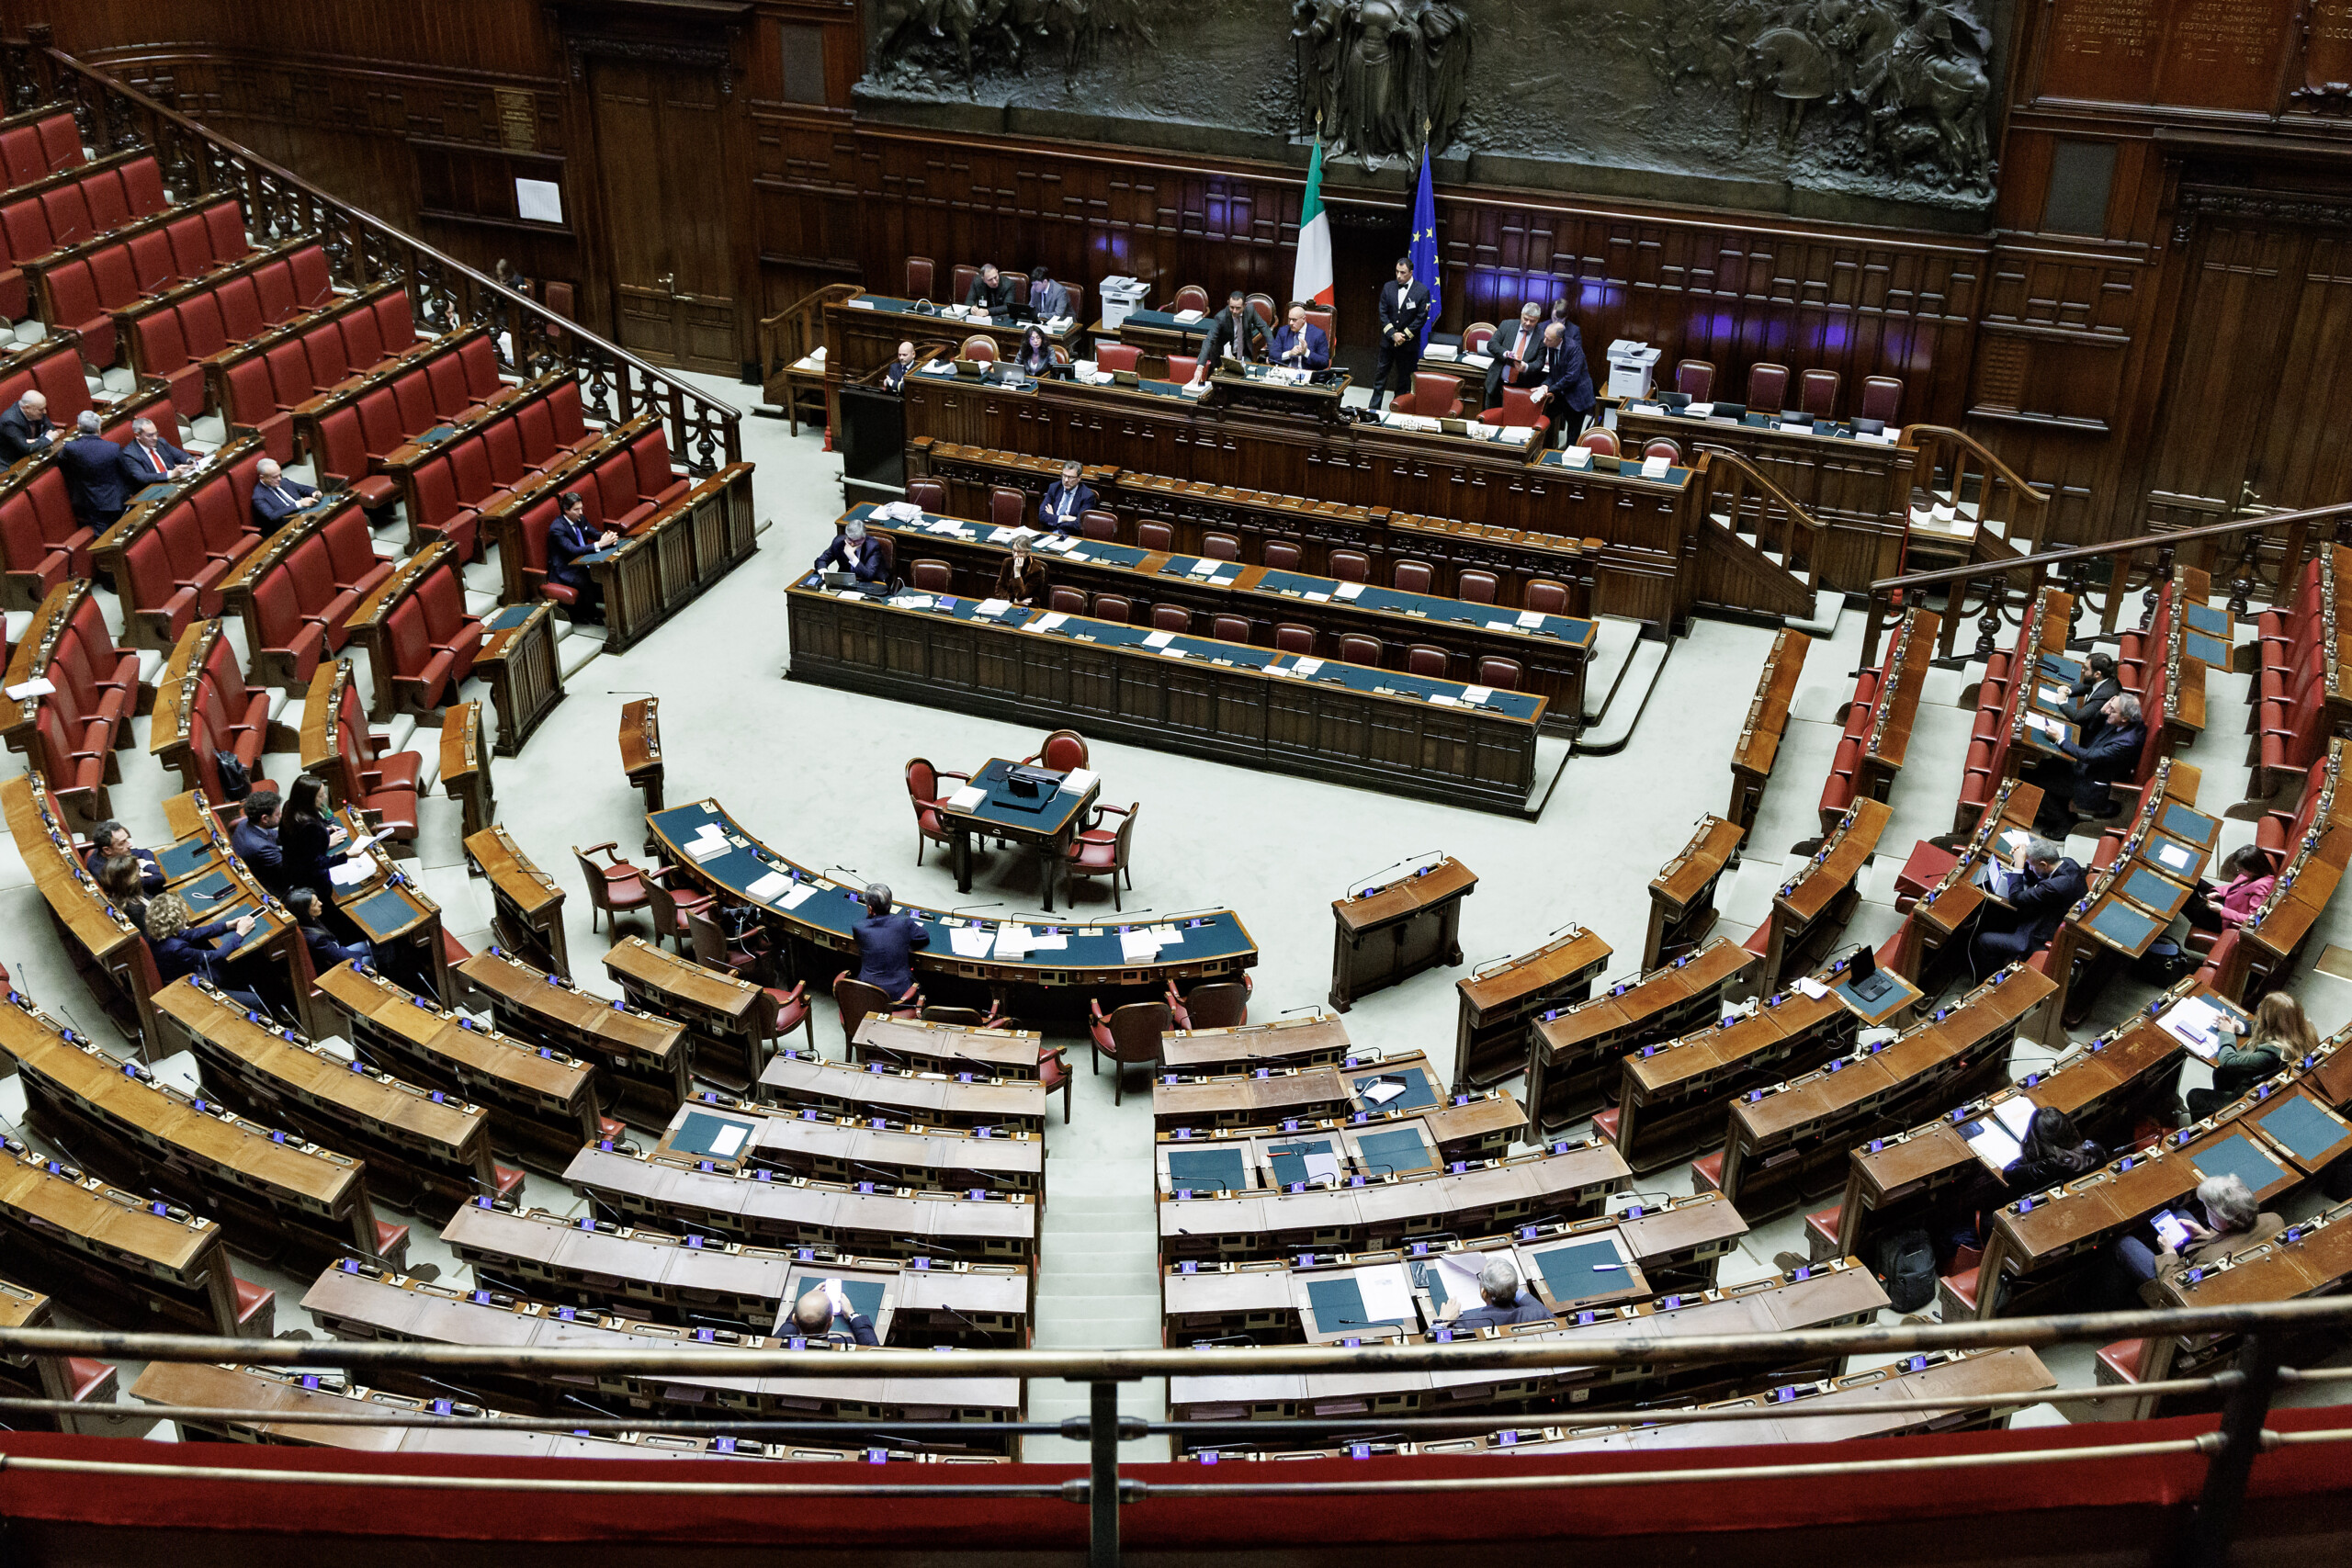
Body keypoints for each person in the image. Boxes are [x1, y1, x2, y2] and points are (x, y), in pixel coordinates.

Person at [2112, 1174, 2282, 1303]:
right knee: (2179, 1214)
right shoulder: (2274, 1220)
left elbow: (2178, 1287)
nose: (2205, 1210)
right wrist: (2203, 1235)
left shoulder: (2209, 1260)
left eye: (2208, 1208)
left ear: (2224, 1220)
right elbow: (2235, 1240)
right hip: (2246, 1275)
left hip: (2192, 1295)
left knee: (2123, 1244)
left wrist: (2169, 1253)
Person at [2186, 991, 2317, 1121]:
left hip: (2255, 1100)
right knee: (2221, 1073)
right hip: (2274, 1084)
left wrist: (2227, 1033)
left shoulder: (2272, 1053)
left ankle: (2215, 1125)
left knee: (2195, 1096)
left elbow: (2229, 1060)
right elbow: (2267, 1026)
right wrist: (2240, 1027)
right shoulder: (2304, 1028)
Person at [1968, 837, 2085, 977]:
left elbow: (2016, 899)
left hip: (2037, 936)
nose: (2029, 867)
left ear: (2044, 864)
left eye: (2030, 865)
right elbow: (2039, 875)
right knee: (1998, 916)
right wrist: (2028, 855)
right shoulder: (2068, 863)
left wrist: (2019, 864)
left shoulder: (2054, 887)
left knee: (1984, 940)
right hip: (2049, 916)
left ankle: (1989, 981)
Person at [2041, 692, 2145, 832]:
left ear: (2125, 718)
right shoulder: (2121, 721)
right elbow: (2091, 732)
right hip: (2086, 767)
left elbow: (2088, 756)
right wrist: (2102, 713)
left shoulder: (2127, 742)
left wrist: (2059, 739)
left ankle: (2063, 824)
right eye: (2110, 704)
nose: (2108, 710)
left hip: (2090, 783)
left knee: (2039, 782)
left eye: (2112, 710)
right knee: (2044, 764)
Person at [141, 892, 264, 1010]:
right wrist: (239, 934)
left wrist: (228, 925)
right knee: (253, 1000)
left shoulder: (157, 933)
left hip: (182, 973)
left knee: (236, 968)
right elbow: (215, 956)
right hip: (189, 986)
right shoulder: (177, 948)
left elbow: (195, 933)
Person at [546, 491, 618, 624]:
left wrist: (608, 537)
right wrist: (600, 544)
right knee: (586, 580)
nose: (581, 512)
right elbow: (573, 551)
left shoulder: (580, 519)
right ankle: (591, 614)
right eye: (576, 509)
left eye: (581, 508)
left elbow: (593, 532)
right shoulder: (557, 529)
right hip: (566, 569)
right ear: (566, 510)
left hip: (581, 562)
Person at [1372, 256, 1431, 411]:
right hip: (1388, 342)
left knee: (1403, 380)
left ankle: (1397, 410)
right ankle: (1373, 409)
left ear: (1411, 273)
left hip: (1408, 345)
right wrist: (1393, 334)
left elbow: (1420, 318)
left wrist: (1403, 335)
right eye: (1397, 272)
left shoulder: (1422, 291)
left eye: (1403, 273)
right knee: (1380, 377)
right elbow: (1383, 313)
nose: (1399, 276)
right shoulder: (1388, 287)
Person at [1521, 320, 1595, 443]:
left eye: (1548, 339)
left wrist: (1549, 389)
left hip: (1577, 397)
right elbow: (1553, 374)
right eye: (1545, 337)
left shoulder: (1574, 349)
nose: (1544, 342)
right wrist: (1545, 385)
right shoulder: (1552, 346)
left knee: (1572, 436)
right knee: (1543, 419)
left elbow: (1571, 377)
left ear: (1559, 339)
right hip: (1562, 394)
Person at [278, 774, 349, 902]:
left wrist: (324, 832)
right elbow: (316, 863)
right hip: (312, 881)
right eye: (321, 795)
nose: (325, 797)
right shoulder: (309, 827)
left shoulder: (289, 806)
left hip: (292, 869)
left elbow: (295, 841)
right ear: (309, 798)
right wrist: (347, 855)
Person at [852, 883, 927, 1002]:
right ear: (890, 904)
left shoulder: (858, 927)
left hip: (869, 995)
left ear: (870, 908)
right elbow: (924, 936)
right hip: (901, 996)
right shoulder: (904, 923)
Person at [54, 412, 128, 529]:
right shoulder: (113, 448)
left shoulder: (71, 448)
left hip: (90, 501)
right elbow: (126, 472)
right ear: (99, 428)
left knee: (102, 536)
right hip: (116, 500)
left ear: (78, 428)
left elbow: (61, 461)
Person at [2183, 845, 2276, 936]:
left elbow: (2252, 919)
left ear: (2253, 869)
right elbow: (2235, 887)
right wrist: (2219, 893)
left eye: (2241, 870)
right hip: (2227, 899)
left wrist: (2222, 910)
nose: (2239, 872)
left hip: (2224, 919)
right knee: (2193, 879)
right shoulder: (2258, 874)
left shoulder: (2262, 887)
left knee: (2182, 898)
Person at [1441, 1260, 1555, 1331]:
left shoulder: (1468, 1323)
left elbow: (1430, 1345)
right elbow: (1537, 1307)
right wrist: (1507, 1285)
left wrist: (1442, 1320)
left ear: (1484, 1293)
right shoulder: (1535, 1314)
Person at [286, 886, 370, 972]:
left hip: (337, 952)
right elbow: (340, 959)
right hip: (339, 967)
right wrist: (359, 962)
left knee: (371, 946)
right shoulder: (317, 939)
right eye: (315, 904)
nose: (320, 903)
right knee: (371, 958)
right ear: (305, 912)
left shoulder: (307, 920)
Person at [1481, 302, 1544, 410]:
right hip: (1497, 383)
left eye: (1532, 321)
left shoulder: (1541, 336)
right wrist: (1506, 353)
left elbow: (1540, 362)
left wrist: (1526, 367)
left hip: (1521, 387)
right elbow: (1492, 344)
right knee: (1490, 419)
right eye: (1525, 319)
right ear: (1521, 315)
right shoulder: (1507, 325)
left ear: (1538, 320)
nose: (1528, 323)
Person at [1192, 290, 1267, 378]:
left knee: (1247, 379)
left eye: (1238, 308)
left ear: (1245, 305)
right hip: (1222, 358)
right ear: (1228, 303)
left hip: (1243, 355)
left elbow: (1265, 329)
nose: (1234, 311)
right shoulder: (1221, 317)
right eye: (1232, 307)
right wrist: (1200, 368)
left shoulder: (1250, 311)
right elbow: (1209, 340)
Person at [230, 788, 289, 897]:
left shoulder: (246, 823)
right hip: (276, 889)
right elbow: (291, 868)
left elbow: (274, 835)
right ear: (265, 818)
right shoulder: (261, 848)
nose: (280, 816)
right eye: (277, 814)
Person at [785, 1279, 880, 1346]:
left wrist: (810, 1298)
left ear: (794, 1319)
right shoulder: (845, 1344)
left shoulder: (778, 1345)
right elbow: (873, 1350)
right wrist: (852, 1314)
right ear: (831, 1322)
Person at [82, 819, 163, 893]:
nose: (130, 845)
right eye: (122, 843)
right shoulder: (108, 874)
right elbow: (158, 879)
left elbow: (145, 852)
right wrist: (146, 866)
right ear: (107, 850)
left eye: (127, 840)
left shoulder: (115, 852)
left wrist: (143, 864)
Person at [250, 457, 322, 535]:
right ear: (262, 478)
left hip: (306, 515)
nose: (279, 479)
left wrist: (315, 492)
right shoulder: (259, 497)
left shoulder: (284, 482)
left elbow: (304, 489)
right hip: (286, 528)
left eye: (280, 475)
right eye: (274, 477)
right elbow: (272, 516)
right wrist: (299, 504)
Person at [119, 416, 196, 487]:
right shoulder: (129, 454)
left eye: (156, 433)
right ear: (137, 435)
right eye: (150, 435)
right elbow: (142, 477)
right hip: (154, 489)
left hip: (174, 483)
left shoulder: (161, 442)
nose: (155, 438)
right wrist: (171, 474)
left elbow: (180, 455)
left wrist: (189, 461)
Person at [811, 515, 888, 585]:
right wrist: (824, 573)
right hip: (845, 582)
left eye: (856, 541)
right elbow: (821, 560)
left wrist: (852, 556)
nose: (852, 544)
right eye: (850, 540)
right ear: (846, 536)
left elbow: (868, 575)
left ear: (863, 538)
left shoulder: (873, 546)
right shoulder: (838, 542)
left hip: (871, 583)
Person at [96, 853, 153, 934]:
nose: (140, 875)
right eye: (138, 873)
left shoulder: (126, 894)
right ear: (130, 880)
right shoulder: (134, 911)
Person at [1037, 460, 1095, 536]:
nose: (1066, 480)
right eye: (1064, 475)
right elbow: (1041, 516)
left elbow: (1079, 525)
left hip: (1069, 536)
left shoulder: (1087, 496)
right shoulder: (1054, 488)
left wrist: (1053, 518)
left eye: (1070, 477)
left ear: (1079, 478)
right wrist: (1064, 518)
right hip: (1048, 533)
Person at [1269, 303, 1330, 372]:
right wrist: (1289, 353)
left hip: (1307, 374)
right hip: (1286, 372)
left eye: (1294, 320)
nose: (1291, 323)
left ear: (1303, 319)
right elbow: (1272, 357)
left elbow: (1325, 362)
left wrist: (1306, 353)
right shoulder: (1283, 331)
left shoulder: (1318, 334)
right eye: (1289, 319)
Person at [993, 533, 1047, 607]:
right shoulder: (1007, 562)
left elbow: (1021, 596)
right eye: (1014, 551)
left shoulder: (1036, 570)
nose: (1015, 555)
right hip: (1008, 604)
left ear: (1028, 553)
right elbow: (999, 590)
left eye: (1020, 552)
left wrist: (1017, 573)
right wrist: (1014, 601)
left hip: (1029, 607)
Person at [0, 389, 54, 463]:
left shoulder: (36, 410)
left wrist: (36, 441)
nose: (45, 412)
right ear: (27, 408)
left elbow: (51, 428)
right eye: (41, 409)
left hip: (33, 454)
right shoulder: (10, 422)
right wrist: (48, 438)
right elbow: (27, 448)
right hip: (13, 463)